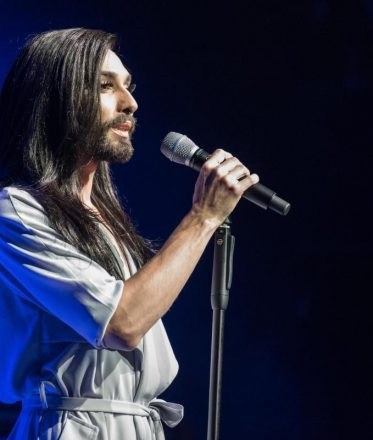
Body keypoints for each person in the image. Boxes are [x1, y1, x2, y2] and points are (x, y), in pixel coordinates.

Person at [0, 28, 259, 439]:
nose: (131, 103)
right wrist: (203, 216)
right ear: (56, 99)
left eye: (128, 86)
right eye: (106, 86)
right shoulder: (15, 210)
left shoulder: (103, 216)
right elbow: (123, 322)